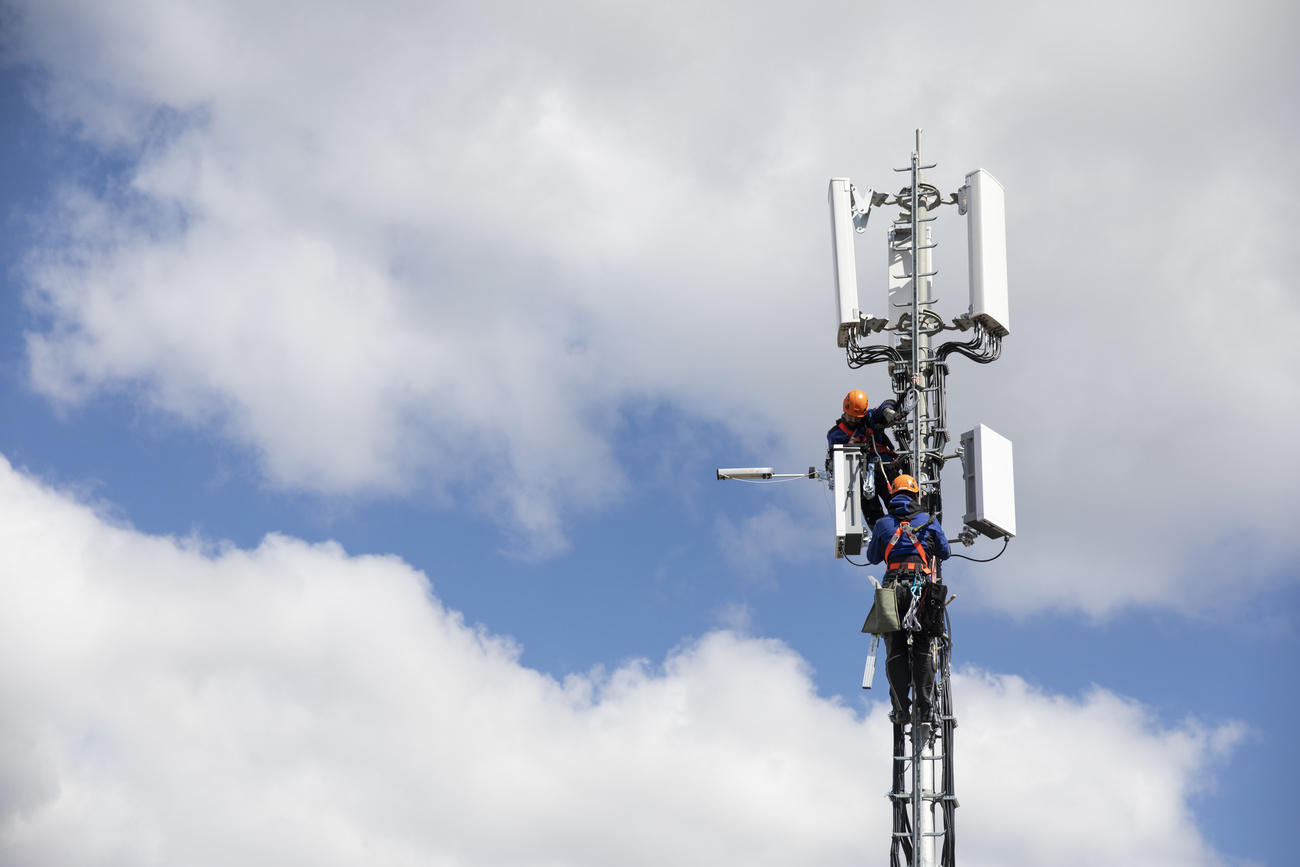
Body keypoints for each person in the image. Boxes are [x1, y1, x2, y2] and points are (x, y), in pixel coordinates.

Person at [865, 474, 951, 739]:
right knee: (924, 646)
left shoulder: (882, 523)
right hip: (921, 590)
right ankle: (926, 712)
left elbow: (872, 557)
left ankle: (901, 710)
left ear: (893, 495)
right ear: (917, 495)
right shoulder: (929, 521)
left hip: (892, 590)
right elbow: (944, 552)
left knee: (896, 648)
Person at [826, 389, 901, 526]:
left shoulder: (869, 419)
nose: (854, 419)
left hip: (884, 469)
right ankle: (885, 540)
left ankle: (906, 534)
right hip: (861, 478)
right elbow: (837, 459)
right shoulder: (836, 434)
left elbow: (887, 404)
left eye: (857, 416)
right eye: (851, 416)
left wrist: (887, 411)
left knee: (899, 506)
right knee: (875, 517)